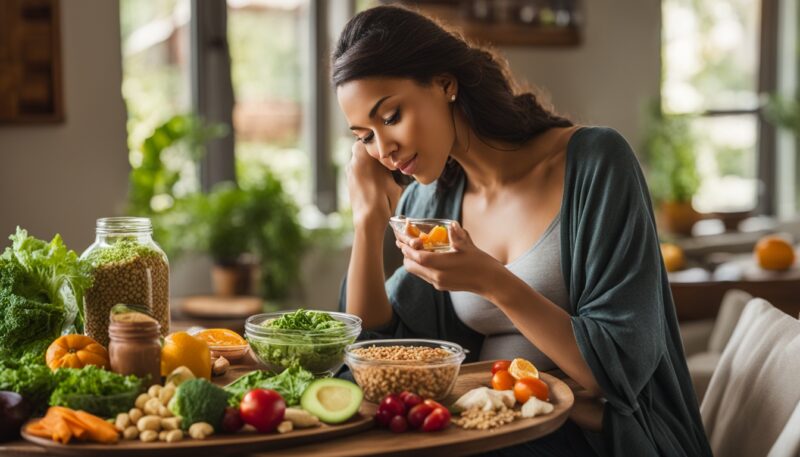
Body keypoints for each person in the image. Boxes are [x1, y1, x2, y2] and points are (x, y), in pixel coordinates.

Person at [333, 5, 712, 457]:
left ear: (445, 83)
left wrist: (491, 280)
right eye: (364, 136)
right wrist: (366, 222)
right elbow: (369, 351)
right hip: (498, 426)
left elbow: (616, 371)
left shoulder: (595, 165)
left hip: (604, 437)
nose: (384, 150)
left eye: (391, 117)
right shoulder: (432, 201)